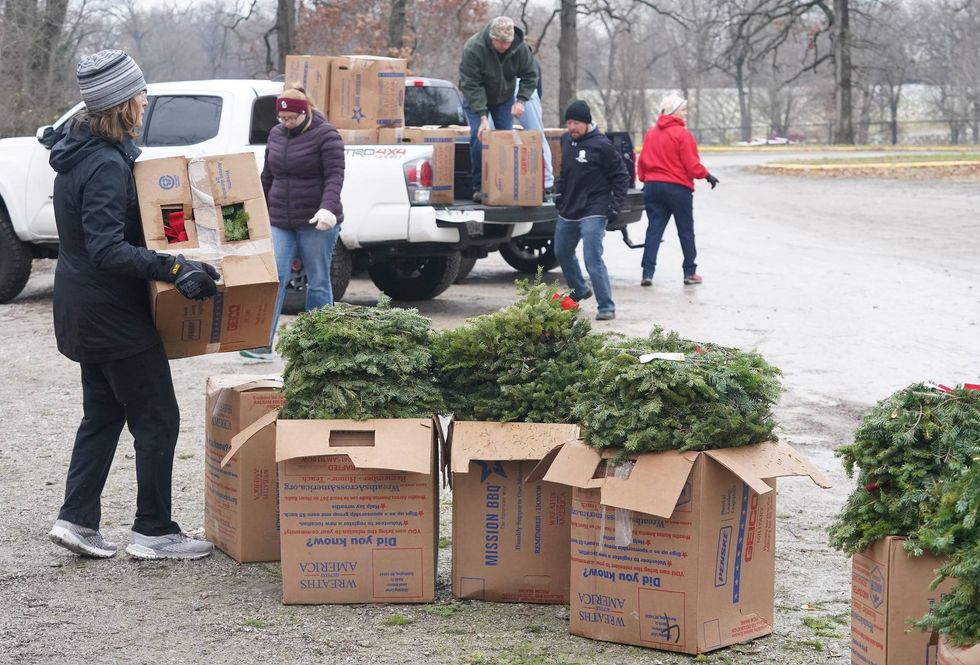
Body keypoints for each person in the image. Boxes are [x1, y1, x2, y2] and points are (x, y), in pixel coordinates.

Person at [47, 49, 218, 560]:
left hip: (85, 309)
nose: (146, 101)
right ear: (122, 102)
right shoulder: (101, 163)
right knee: (157, 417)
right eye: (140, 93)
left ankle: (76, 520)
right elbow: (105, 247)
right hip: (111, 317)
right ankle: (154, 531)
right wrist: (172, 268)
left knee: (101, 414)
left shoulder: (81, 153)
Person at [239, 83, 345, 361]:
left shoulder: (326, 135)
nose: (286, 123)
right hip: (280, 219)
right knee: (275, 278)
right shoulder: (276, 134)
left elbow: (335, 176)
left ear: (305, 112)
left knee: (318, 280)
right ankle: (261, 343)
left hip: (316, 220)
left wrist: (328, 209)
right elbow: (268, 176)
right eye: (282, 119)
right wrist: (254, 207)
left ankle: (319, 344)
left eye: (291, 118)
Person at [553, 100, 630, 321]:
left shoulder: (602, 145)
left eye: (576, 122)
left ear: (586, 122)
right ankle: (579, 290)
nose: (571, 127)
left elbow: (621, 175)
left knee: (592, 258)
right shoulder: (566, 140)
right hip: (569, 207)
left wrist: (616, 206)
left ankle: (606, 306)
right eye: (568, 122)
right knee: (561, 251)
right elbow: (565, 170)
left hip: (594, 208)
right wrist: (559, 195)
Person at [636, 92, 719, 286]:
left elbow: (642, 163)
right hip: (677, 189)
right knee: (685, 231)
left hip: (653, 187)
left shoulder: (651, 133)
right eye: (683, 109)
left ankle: (647, 273)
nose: (686, 113)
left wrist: (646, 181)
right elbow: (691, 164)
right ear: (673, 112)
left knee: (654, 229)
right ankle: (689, 272)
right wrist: (706, 175)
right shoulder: (682, 134)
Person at [458, 15, 538, 201]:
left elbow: (530, 75)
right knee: (480, 138)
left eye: (507, 43)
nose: (504, 46)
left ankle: (504, 185)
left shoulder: (519, 49)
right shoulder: (474, 48)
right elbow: (470, 84)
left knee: (505, 141)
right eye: (499, 42)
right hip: (477, 96)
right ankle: (479, 186)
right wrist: (483, 117)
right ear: (491, 37)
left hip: (504, 98)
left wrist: (521, 100)